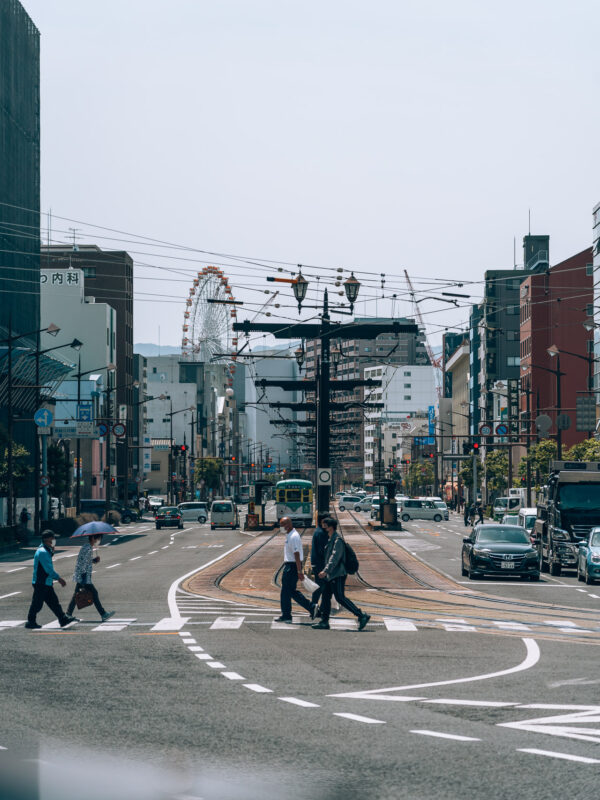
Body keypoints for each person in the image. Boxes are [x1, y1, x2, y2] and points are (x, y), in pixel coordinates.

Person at [312, 517, 370, 632]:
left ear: (331, 527)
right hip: (331, 575)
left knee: (340, 598)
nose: (323, 528)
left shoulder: (337, 540)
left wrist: (325, 571)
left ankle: (361, 615)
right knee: (325, 597)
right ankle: (324, 621)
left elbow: (334, 558)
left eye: (325, 526)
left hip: (337, 575)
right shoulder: (331, 539)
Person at [25, 530, 76, 629]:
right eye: (52, 538)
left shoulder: (44, 550)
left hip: (45, 582)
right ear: (46, 539)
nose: (54, 540)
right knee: (37, 604)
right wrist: (59, 578)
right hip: (41, 582)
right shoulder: (43, 552)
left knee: (54, 602)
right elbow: (48, 569)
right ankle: (30, 621)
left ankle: (62, 619)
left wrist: (51, 551)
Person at [275, 517, 316, 624]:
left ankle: (287, 615)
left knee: (285, 592)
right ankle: (311, 607)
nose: (280, 527)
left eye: (282, 525)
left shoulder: (294, 536)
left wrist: (299, 571)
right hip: (290, 566)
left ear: (287, 525)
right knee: (291, 592)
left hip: (291, 567)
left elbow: (296, 554)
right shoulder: (289, 535)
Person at [66, 534, 114, 622]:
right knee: (94, 593)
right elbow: (83, 563)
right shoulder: (88, 548)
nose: (99, 541)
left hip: (81, 575)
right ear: (92, 538)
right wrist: (84, 579)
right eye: (98, 539)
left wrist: (94, 560)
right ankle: (103, 614)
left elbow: (86, 561)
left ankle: (68, 614)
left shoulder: (86, 547)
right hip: (83, 576)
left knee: (76, 595)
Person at [310, 514, 329, 615]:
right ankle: (315, 608)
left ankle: (315, 608)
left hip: (317, 563)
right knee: (321, 587)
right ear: (323, 522)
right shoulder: (321, 533)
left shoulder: (318, 531)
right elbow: (323, 551)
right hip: (320, 564)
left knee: (320, 586)